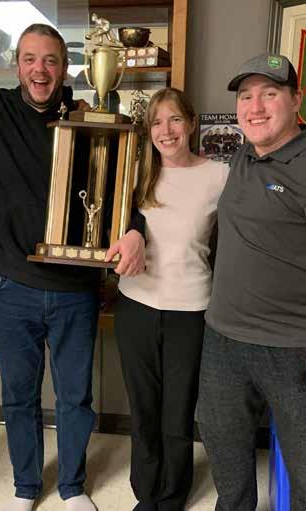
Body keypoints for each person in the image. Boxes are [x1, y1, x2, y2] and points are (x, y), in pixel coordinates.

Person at [0, 24, 145, 511]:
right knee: (19, 396)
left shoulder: (88, 119)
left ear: (66, 68)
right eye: (30, 59)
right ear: (16, 64)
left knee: (76, 398)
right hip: (10, 285)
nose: (40, 70)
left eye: (51, 60)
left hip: (76, 290)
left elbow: (124, 190)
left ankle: (73, 486)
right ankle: (26, 485)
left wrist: (136, 228)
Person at [196, 53, 306, 511]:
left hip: (296, 349)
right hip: (223, 341)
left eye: (270, 94)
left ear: (297, 100)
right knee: (226, 460)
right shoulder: (243, 154)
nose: (255, 107)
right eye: (246, 96)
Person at [114, 87, 229, 511]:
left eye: (175, 119)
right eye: (157, 122)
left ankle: (172, 495)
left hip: (191, 310)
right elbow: (115, 222)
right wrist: (131, 230)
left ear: (192, 124)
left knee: (177, 412)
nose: (167, 130)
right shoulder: (135, 173)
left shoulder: (220, 175)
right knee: (143, 408)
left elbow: (243, 233)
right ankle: (146, 493)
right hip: (136, 306)